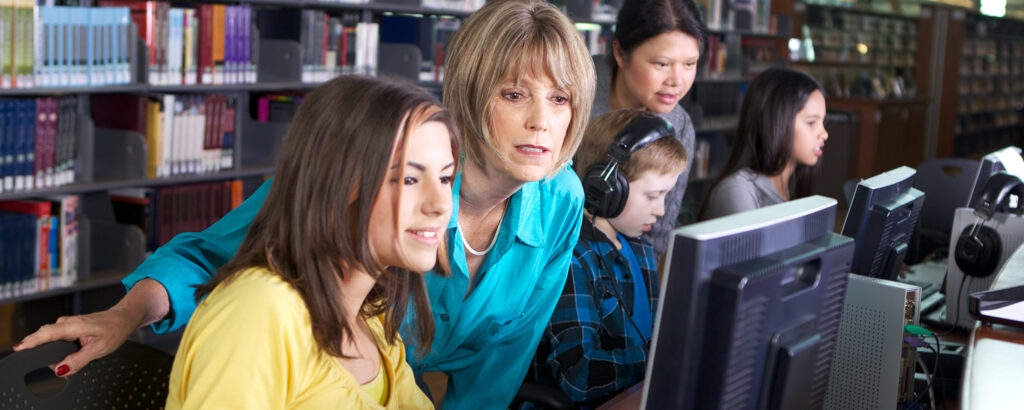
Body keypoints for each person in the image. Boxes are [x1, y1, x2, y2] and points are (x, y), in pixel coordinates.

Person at [15, 1, 596, 408]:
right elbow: (213, 260)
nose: (542, 122)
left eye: (560, 98)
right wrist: (122, 316)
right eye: (514, 94)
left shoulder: (560, 199)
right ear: (470, 95)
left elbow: (498, 369)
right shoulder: (368, 167)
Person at [166, 75, 456, 408]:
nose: (441, 204)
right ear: (338, 185)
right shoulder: (259, 310)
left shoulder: (371, 321)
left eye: (445, 177)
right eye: (409, 179)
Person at [526, 110, 687, 407]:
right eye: (652, 196)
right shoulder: (572, 261)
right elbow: (579, 374)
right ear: (606, 188)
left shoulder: (640, 251)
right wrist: (664, 357)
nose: (662, 210)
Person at [591, 0, 706, 261]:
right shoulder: (572, 92)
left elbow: (656, 238)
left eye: (689, 64)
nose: (677, 81)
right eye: (662, 64)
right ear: (620, 53)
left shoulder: (679, 126)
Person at [699, 68, 828, 221]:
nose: (824, 134)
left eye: (823, 122)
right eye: (812, 122)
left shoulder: (790, 184)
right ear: (777, 122)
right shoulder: (737, 190)